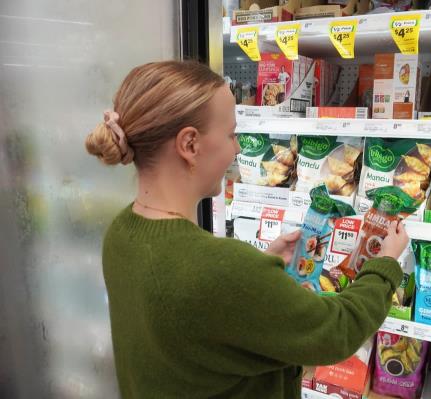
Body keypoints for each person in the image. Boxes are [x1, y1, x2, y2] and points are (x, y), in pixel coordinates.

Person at [85, 60, 409, 399]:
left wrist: (260, 270)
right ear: (190, 145)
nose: (238, 148)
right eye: (230, 134)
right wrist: (384, 265)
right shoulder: (218, 271)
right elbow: (336, 332)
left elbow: (196, 337)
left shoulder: (120, 234)